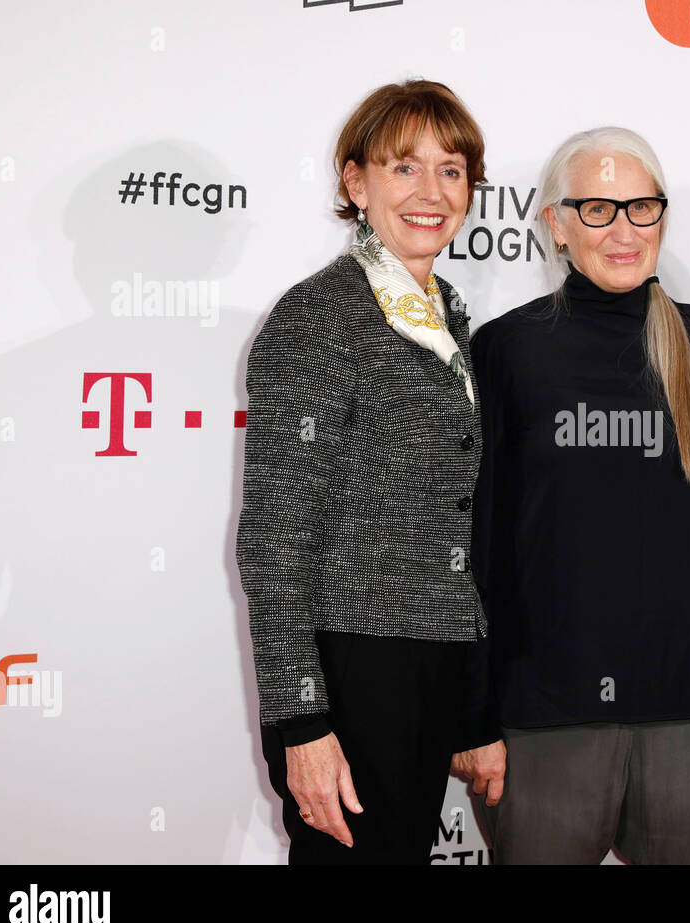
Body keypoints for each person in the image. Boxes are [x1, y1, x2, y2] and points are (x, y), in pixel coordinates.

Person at [452, 127, 690, 864]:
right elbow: (471, 548)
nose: (624, 230)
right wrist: (473, 714)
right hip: (543, 717)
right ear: (557, 226)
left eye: (642, 208)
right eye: (598, 210)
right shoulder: (507, 351)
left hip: (689, 715)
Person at [236, 80, 487, 864]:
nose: (432, 192)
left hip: (429, 663)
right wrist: (304, 723)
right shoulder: (322, 314)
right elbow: (274, 541)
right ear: (356, 183)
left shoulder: (441, 310)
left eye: (451, 170)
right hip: (352, 669)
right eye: (404, 168)